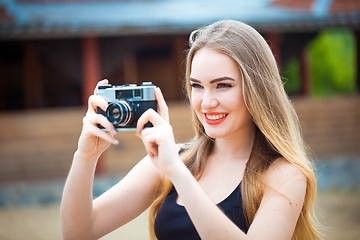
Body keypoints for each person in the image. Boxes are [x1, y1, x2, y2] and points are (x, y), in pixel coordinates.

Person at [61, 20, 322, 240]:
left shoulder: (284, 176)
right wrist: (85, 157)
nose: (207, 102)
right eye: (197, 86)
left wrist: (177, 172)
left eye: (223, 85)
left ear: (257, 89)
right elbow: (79, 233)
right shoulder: (171, 160)